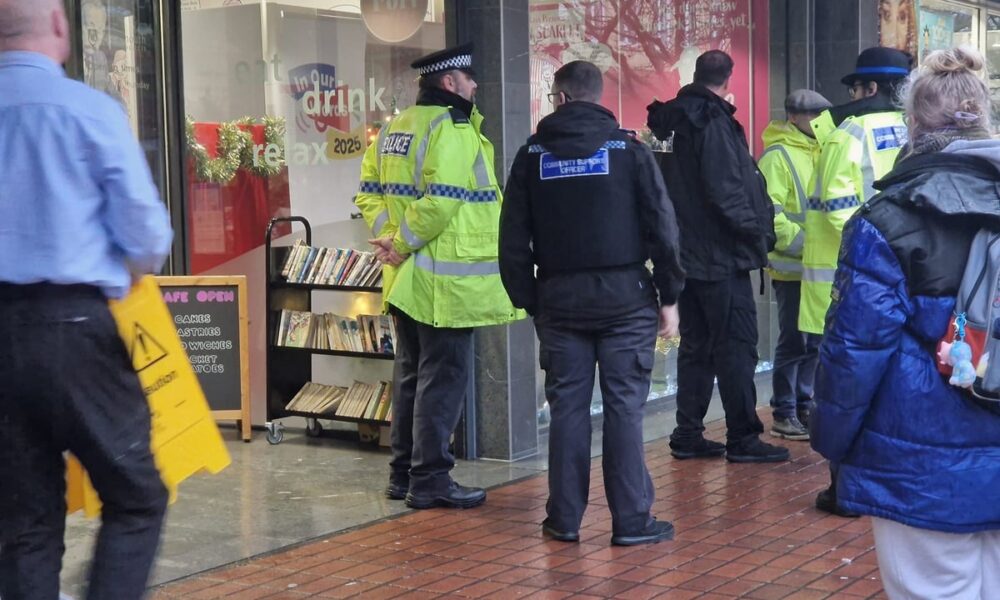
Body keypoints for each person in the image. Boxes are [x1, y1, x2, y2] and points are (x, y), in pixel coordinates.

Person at [811, 46, 1000, 598]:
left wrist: (834, 444)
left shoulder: (885, 221)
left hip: (917, 459)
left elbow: (854, 353)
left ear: (912, 124)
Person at [0, 0, 174, 598]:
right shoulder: (89, 110)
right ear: (57, 25)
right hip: (75, 327)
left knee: (23, 519)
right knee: (136, 497)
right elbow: (147, 235)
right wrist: (127, 270)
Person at [499, 61, 685, 546]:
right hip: (625, 298)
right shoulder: (628, 150)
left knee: (568, 410)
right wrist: (670, 295)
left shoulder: (531, 156)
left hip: (558, 299)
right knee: (625, 407)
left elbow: (512, 238)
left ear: (559, 98)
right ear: (598, 98)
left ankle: (563, 520)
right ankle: (632, 521)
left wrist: (529, 299)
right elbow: (663, 227)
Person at [354, 43, 522, 510]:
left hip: (405, 279)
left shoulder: (395, 128)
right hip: (444, 282)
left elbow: (368, 193)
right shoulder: (451, 127)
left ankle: (402, 474)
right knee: (441, 380)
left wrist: (389, 237)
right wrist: (402, 241)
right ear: (449, 83)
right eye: (469, 78)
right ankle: (430, 481)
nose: (474, 85)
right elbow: (441, 202)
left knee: (411, 375)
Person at [646, 50, 788, 463]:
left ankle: (687, 433)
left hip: (681, 255)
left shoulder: (665, 123)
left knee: (696, 346)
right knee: (736, 347)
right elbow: (727, 190)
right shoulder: (711, 122)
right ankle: (742, 437)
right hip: (719, 256)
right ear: (729, 79)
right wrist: (760, 235)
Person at [802, 46, 910, 517]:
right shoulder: (918, 126)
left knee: (849, 380)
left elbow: (831, 205)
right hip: (914, 272)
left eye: (854, 87)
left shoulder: (848, 130)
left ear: (868, 87)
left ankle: (844, 488)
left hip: (851, 278)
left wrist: (876, 238)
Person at [758, 90, 832, 441]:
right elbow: (769, 216)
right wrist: (809, 245)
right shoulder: (777, 156)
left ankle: (803, 404)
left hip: (817, 267)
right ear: (794, 118)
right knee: (792, 342)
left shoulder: (820, 150)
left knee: (814, 341)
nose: (820, 122)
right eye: (814, 116)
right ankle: (784, 412)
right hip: (791, 267)